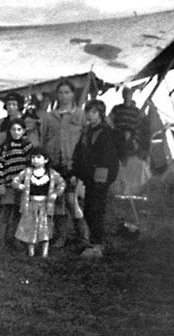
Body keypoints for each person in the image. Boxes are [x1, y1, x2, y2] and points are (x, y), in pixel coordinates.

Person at [39, 80, 90, 249]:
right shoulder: (49, 117)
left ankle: (83, 236)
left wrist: (81, 167)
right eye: (60, 93)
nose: (63, 96)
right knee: (58, 203)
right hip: (54, 165)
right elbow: (43, 140)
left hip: (73, 166)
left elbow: (86, 141)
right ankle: (61, 237)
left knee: (71, 200)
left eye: (67, 92)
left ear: (73, 94)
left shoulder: (80, 115)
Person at [72, 99, 119, 258]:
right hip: (87, 177)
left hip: (100, 179)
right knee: (88, 209)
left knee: (97, 210)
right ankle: (89, 241)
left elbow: (107, 159)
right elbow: (79, 153)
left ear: (101, 114)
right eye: (88, 112)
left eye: (94, 112)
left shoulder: (106, 132)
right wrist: (76, 171)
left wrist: (101, 181)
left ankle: (97, 245)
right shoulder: (87, 131)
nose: (90, 115)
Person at [12, 147, 66, 258]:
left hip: (45, 206)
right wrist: (19, 185)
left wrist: (56, 193)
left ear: (45, 160)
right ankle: (31, 252)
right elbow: (15, 180)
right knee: (30, 227)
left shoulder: (51, 174)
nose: (35, 160)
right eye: (33, 158)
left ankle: (44, 253)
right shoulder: (27, 172)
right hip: (30, 205)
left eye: (38, 157)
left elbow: (62, 184)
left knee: (44, 228)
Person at [0, 118, 32, 248]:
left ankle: (16, 240)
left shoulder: (27, 146)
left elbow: (32, 164)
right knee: (5, 213)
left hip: (23, 186)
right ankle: (0, 241)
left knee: (19, 214)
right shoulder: (5, 147)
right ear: (9, 131)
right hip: (9, 186)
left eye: (19, 129)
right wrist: (0, 184)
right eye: (13, 129)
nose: (16, 132)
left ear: (24, 131)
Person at [108, 87, 148, 162]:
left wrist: (132, 136)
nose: (127, 96)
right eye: (125, 94)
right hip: (117, 134)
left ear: (131, 95)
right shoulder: (117, 108)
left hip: (130, 136)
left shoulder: (136, 112)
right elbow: (109, 119)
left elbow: (139, 127)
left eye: (129, 94)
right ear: (123, 96)